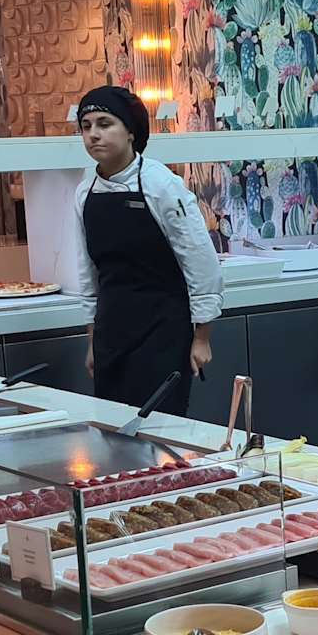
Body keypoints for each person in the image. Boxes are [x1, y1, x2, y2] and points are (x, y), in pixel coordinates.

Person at [72, 84, 222, 415]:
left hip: (163, 330)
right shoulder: (84, 193)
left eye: (104, 124)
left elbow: (200, 261)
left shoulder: (161, 185)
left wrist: (202, 337)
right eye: (86, 126)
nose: (93, 134)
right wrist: (93, 341)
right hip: (111, 331)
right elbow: (88, 273)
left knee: (159, 428)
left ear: (131, 131)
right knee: (112, 428)